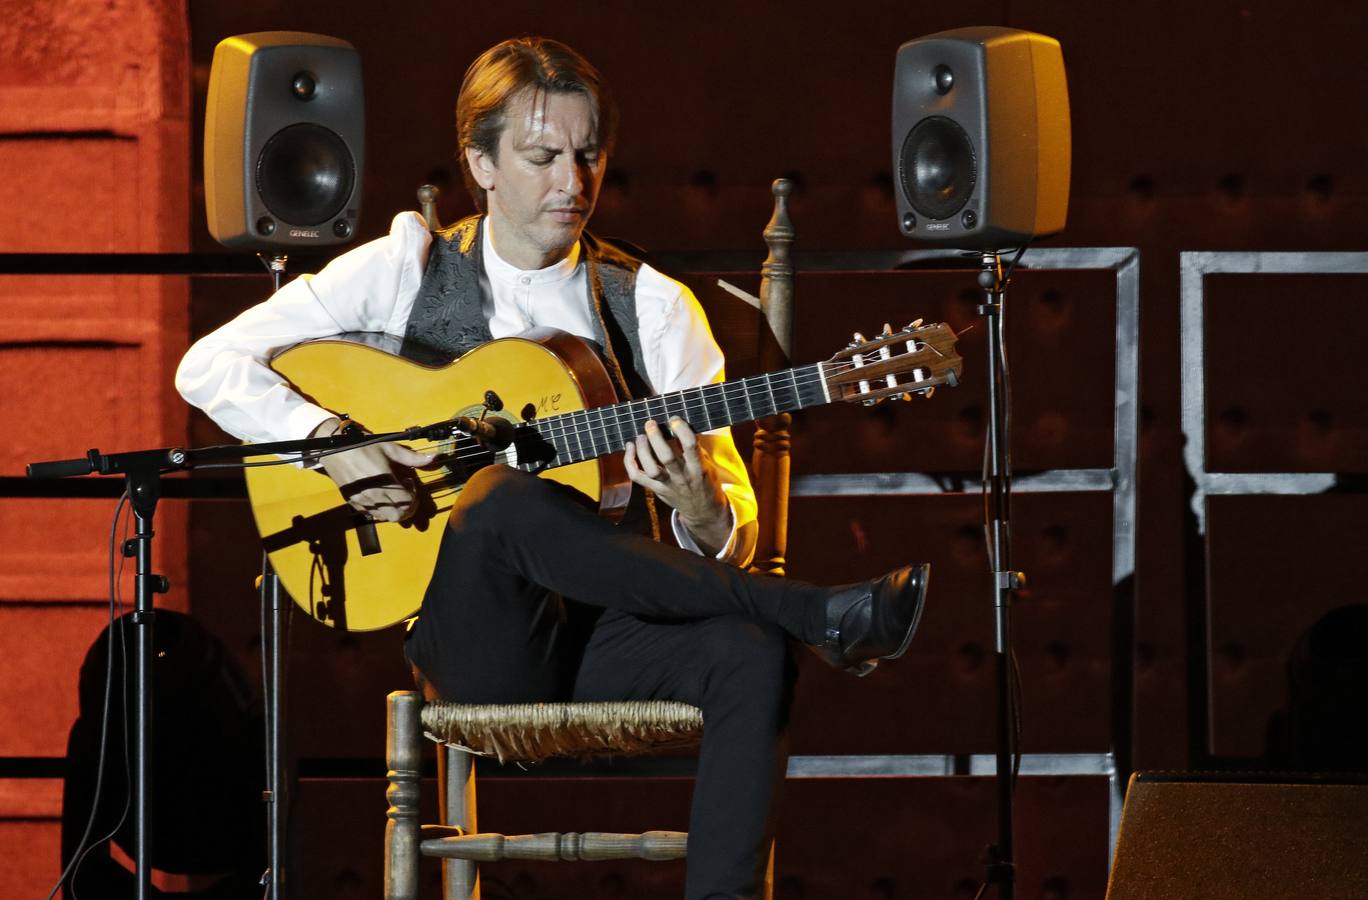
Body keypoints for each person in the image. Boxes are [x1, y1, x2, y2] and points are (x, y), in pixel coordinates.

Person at [177, 36, 929, 900]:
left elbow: (731, 527)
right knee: (500, 497)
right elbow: (206, 365)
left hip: (611, 630)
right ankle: (815, 611)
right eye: (542, 156)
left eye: (587, 154)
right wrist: (334, 441)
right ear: (481, 164)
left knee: (754, 655)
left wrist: (700, 511)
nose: (573, 180)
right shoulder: (406, 268)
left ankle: (782, 656)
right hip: (478, 641)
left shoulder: (648, 305)